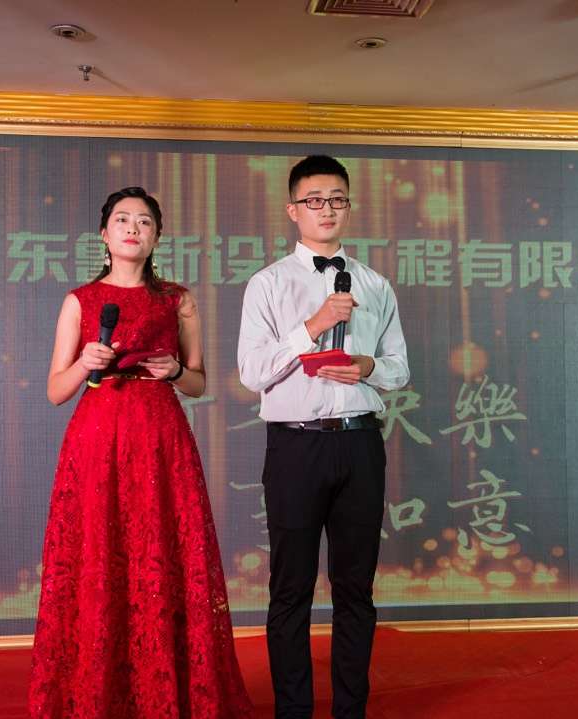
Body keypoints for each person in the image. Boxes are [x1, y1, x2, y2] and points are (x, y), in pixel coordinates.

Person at [29, 187, 253, 719]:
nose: (133, 228)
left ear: (157, 237)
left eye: (145, 221)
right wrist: (85, 363)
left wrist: (174, 370)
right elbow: (56, 391)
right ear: (104, 234)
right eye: (123, 220)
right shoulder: (80, 301)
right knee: (99, 554)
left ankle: (167, 690)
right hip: (98, 440)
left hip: (160, 440)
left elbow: (198, 382)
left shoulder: (177, 299)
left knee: (164, 555)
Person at [237, 155, 410, 718]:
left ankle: (349, 710)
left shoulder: (375, 284)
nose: (326, 210)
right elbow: (252, 373)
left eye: (337, 199)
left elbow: (399, 368)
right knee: (290, 588)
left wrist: (368, 367)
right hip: (297, 445)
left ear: (349, 207)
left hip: (360, 444)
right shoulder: (268, 284)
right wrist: (313, 326)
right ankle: (293, 711)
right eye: (314, 200)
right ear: (293, 210)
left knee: (355, 588)